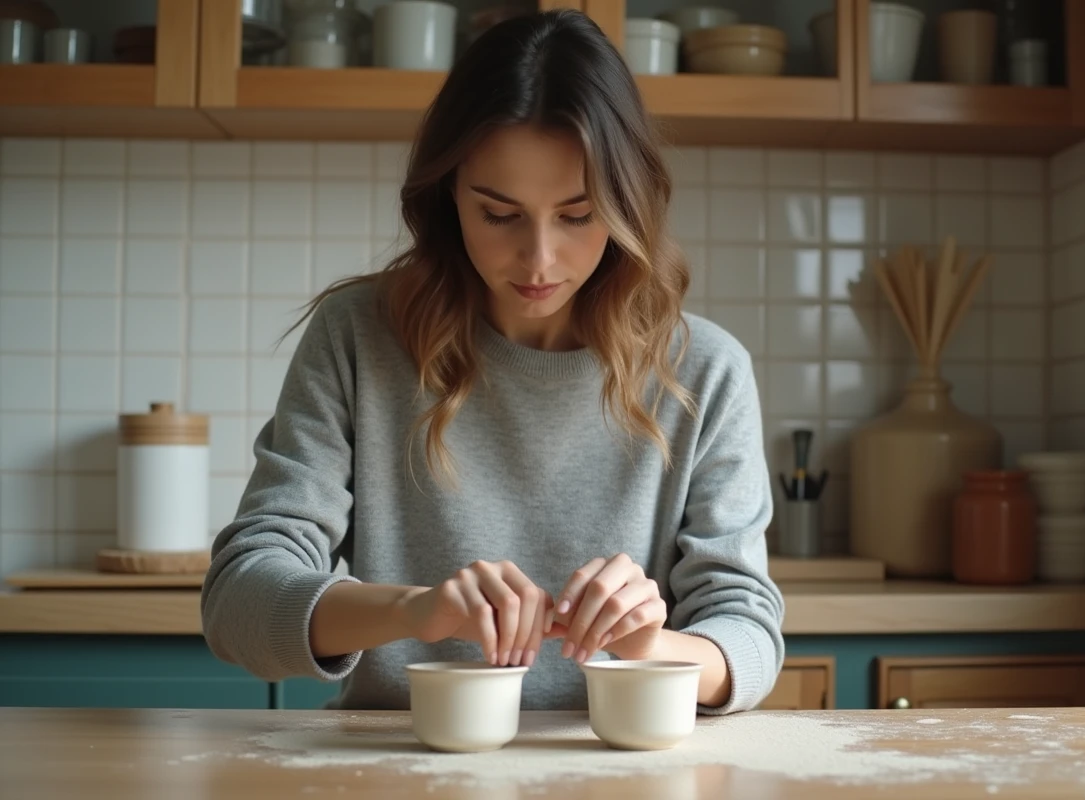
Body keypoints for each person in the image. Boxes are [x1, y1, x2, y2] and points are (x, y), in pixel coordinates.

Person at [201, 8, 784, 715]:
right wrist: (413, 612)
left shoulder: (706, 371)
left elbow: (749, 636)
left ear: (627, 202)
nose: (538, 259)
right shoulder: (358, 337)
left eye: (577, 215)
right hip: (393, 771)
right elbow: (236, 603)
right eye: (499, 214)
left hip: (617, 774)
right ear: (449, 195)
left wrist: (652, 645)